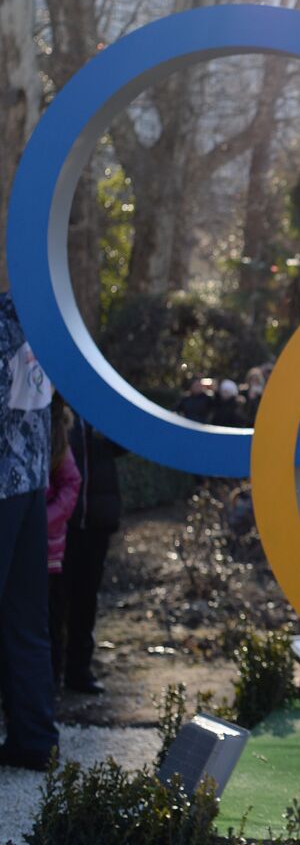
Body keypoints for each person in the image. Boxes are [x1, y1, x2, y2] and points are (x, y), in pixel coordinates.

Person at [0, 290, 60, 770]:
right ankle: (34, 738)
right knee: (26, 619)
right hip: (31, 487)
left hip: (3, 485)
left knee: (24, 619)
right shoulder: (43, 331)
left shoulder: (3, 330)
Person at [63, 412, 126, 695]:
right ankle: (51, 672)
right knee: (55, 600)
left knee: (86, 599)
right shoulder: (58, 409)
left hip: (96, 520)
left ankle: (79, 671)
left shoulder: (100, 409)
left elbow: (123, 443)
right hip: (62, 523)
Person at [45, 396, 80, 683]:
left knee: (50, 621)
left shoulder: (56, 440)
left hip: (47, 552)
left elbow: (71, 483)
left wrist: (43, 520)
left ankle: (50, 683)